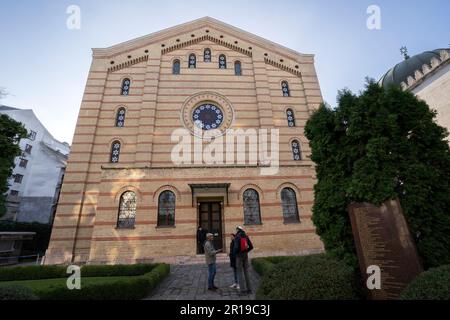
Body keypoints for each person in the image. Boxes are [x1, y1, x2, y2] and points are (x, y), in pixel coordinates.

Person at [233, 226, 254, 295]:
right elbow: (251, 246)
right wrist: (246, 251)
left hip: (239, 256)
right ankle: (249, 289)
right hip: (245, 256)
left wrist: (235, 253)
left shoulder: (237, 236)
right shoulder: (246, 236)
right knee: (246, 272)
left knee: (240, 273)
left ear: (237, 230)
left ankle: (243, 290)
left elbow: (236, 248)